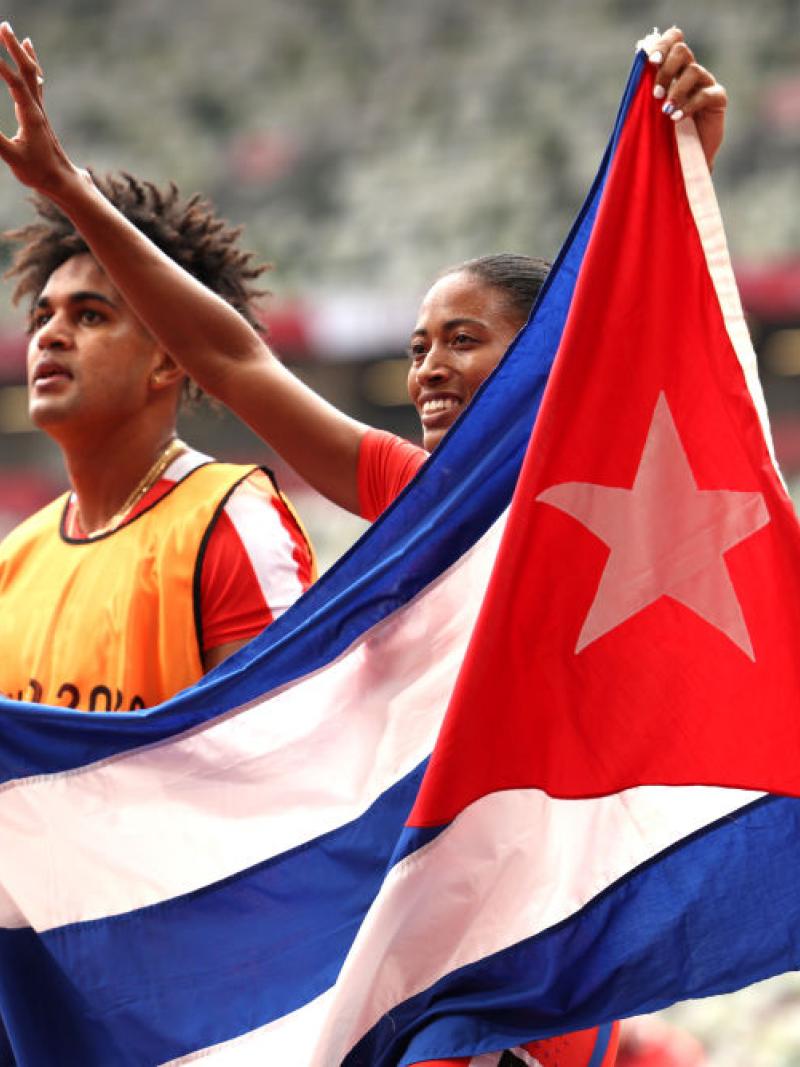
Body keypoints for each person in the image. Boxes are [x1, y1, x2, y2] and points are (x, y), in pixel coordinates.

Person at [0, 20, 726, 1067]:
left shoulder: (595, 500)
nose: (426, 367)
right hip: (399, 952)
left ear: (542, 362)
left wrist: (681, 174)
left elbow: (640, 334)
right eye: (418, 343)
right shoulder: (409, 493)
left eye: (464, 341)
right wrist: (66, 186)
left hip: (533, 969)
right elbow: (235, 358)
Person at [0, 168, 315, 711]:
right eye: (42, 315)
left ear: (168, 358)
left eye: (90, 315)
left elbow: (283, 763)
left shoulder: (232, 521)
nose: (48, 334)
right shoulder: (14, 560)